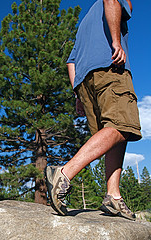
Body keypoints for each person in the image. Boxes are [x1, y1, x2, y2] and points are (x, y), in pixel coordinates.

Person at [45, 0, 142, 221]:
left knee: (114, 135)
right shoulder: (116, 3)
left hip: (85, 81)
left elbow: (70, 61)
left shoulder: (85, 23)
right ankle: (63, 173)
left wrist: (78, 94)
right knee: (122, 125)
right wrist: (116, 42)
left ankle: (113, 196)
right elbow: (112, 0)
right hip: (110, 68)